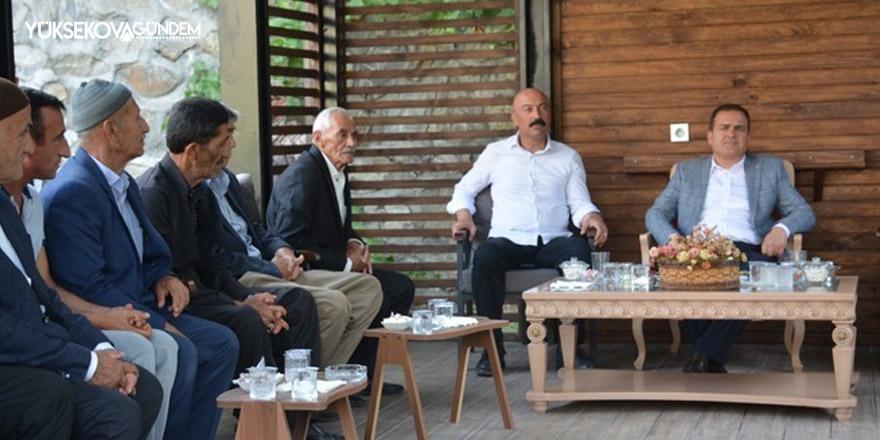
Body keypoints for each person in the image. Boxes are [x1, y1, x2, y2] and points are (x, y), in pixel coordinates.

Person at [41, 79, 239, 440]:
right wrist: (157, 324)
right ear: (111, 130)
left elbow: (152, 254)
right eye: (137, 117)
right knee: (181, 347)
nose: (147, 126)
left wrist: (165, 276)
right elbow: (86, 285)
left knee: (222, 342)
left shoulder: (123, 181)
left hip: (143, 303)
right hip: (108, 312)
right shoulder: (75, 191)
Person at [136, 98, 337, 440]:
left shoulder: (199, 190)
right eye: (225, 137)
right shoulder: (154, 194)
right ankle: (266, 425)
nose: (232, 145)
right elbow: (171, 279)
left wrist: (248, 296)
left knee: (296, 304)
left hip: (204, 290)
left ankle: (299, 421)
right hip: (175, 301)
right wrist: (240, 305)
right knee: (245, 320)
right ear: (194, 149)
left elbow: (210, 263)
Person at [3, 87, 177, 440]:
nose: (27, 147)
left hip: (41, 344)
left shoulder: (8, 206)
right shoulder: (73, 191)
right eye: (22, 133)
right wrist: (86, 363)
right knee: (58, 398)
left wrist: (101, 349)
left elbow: (44, 294)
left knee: (144, 389)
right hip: (20, 362)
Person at [192, 102, 381, 372]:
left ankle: (322, 376)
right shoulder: (195, 189)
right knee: (335, 304)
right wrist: (273, 265)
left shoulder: (228, 180)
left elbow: (257, 229)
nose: (233, 144)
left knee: (369, 288)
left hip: (274, 265)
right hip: (244, 274)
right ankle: (305, 381)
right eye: (227, 136)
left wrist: (282, 250)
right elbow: (214, 258)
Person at [446, 88, 609, 377]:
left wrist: (592, 216)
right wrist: (463, 215)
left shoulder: (568, 157)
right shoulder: (495, 153)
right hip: (507, 239)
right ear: (515, 117)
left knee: (580, 254)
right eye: (528, 109)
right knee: (484, 259)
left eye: (543, 108)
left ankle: (569, 347)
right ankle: (492, 348)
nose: (537, 115)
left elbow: (579, 202)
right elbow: (464, 189)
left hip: (552, 240)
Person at [645, 103, 816, 373]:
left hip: (749, 251)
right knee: (693, 279)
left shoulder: (769, 169)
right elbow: (656, 213)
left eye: (739, 128)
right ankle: (708, 358)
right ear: (710, 135)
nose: (731, 134)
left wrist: (780, 230)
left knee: (749, 282)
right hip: (698, 251)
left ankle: (703, 355)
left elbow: (804, 212)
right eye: (724, 127)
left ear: (748, 136)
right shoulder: (687, 172)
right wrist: (671, 238)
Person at [266, 107, 414, 395]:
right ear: (319, 138)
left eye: (355, 136)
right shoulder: (303, 175)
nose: (352, 143)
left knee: (400, 288)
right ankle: (346, 377)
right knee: (378, 289)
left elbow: (342, 228)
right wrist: (346, 264)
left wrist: (357, 244)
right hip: (305, 271)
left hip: (332, 265)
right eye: (342, 135)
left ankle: (360, 375)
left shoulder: (336, 170)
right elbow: (289, 241)